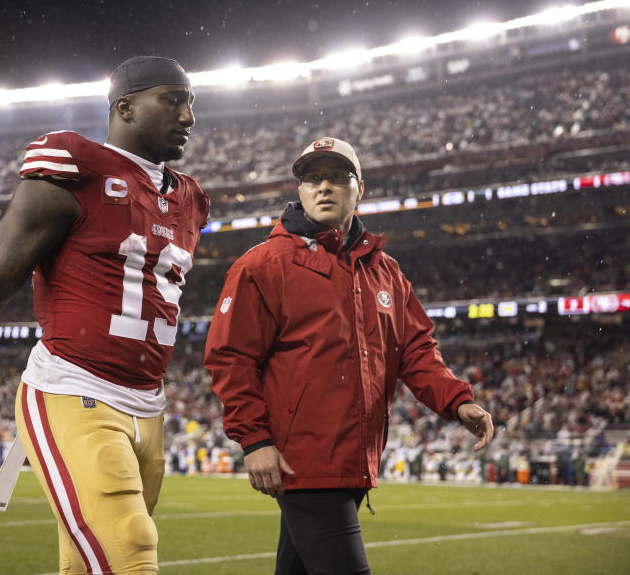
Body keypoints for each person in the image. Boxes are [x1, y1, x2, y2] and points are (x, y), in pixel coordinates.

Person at [0, 56, 208, 574]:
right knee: (131, 548)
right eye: (173, 100)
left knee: (84, 564)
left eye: (191, 102)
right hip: (74, 389)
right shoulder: (75, 170)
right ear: (124, 107)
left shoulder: (189, 199)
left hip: (151, 407)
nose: (188, 115)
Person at [204, 137, 494, 575]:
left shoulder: (385, 270)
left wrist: (456, 400)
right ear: (299, 191)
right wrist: (255, 439)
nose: (323, 187)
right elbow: (231, 357)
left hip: (353, 459)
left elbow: (415, 349)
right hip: (302, 461)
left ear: (360, 189)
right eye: (312, 178)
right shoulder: (261, 265)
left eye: (338, 178)